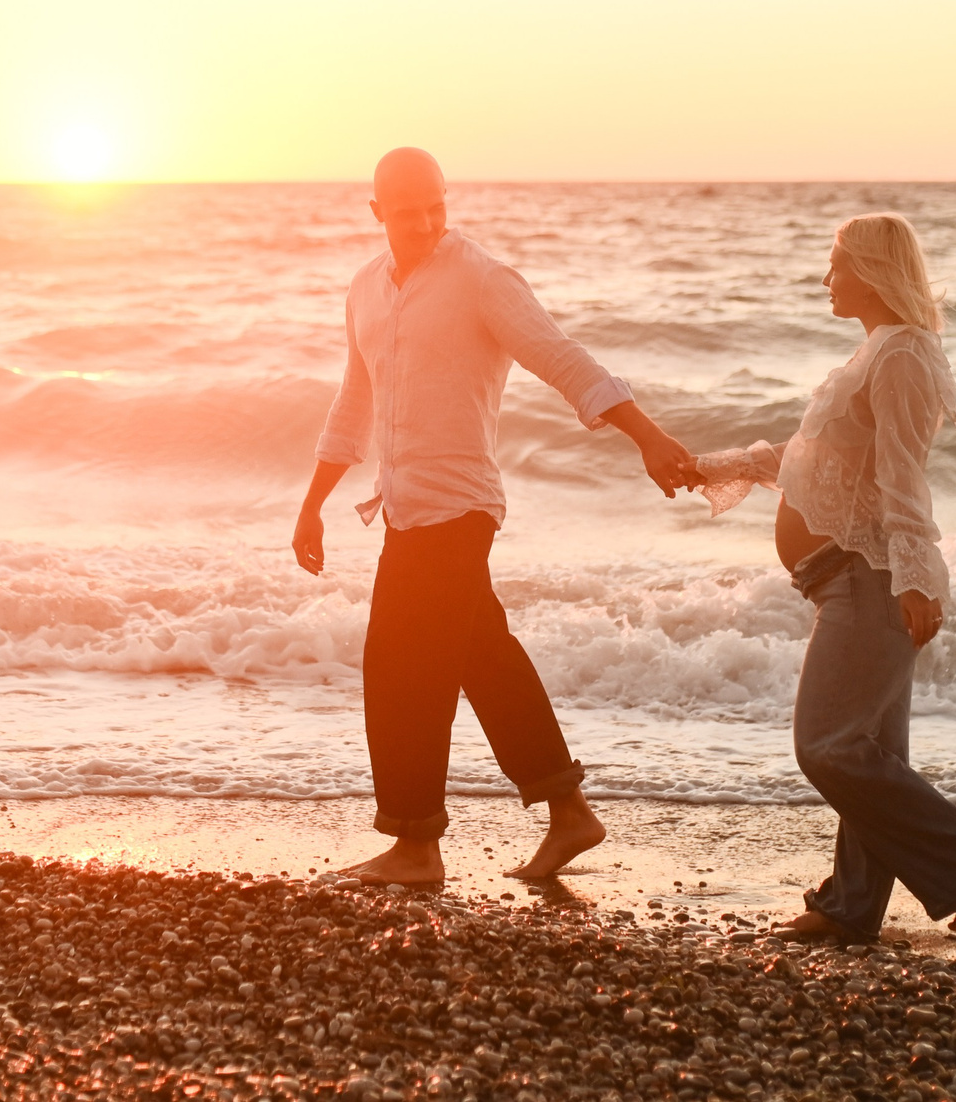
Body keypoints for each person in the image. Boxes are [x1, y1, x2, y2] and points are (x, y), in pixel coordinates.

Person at [293, 147, 700, 885]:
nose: (423, 220)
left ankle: (414, 847)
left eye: (435, 204)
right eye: (406, 208)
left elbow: (561, 357)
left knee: (399, 663)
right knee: (484, 657)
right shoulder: (364, 291)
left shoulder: (480, 278)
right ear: (376, 209)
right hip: (405, 508)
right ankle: (568, 809)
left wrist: (648, 435)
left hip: (461, 504)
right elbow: (354, 402)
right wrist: (311, 504)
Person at [766, 213, 956, 941]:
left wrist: (913, 574)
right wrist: (715, 469)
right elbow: (819, 464)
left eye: (837, 264)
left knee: (827, 745)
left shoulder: (902, 355)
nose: (826, 278)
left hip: (872, 578)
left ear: (872, 269)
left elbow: (905, 478)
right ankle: (852, 908)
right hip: (846, 575)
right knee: (869, 752)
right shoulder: (876, 350)